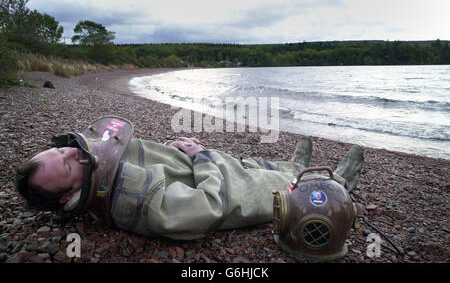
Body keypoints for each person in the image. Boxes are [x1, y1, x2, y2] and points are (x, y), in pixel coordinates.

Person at [15, 116, 364, 240]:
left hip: (211, 167)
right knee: (269, 186)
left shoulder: (97, 169)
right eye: (66, 165)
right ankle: (337, 185)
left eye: (63, 150)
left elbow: (151, 164)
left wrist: (175, 149)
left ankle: (290, 166)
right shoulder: (133, 204)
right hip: (232, 192)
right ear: (67, 197)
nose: (75, 152)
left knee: (248, 163)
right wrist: (201, 157)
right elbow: (210, 207)